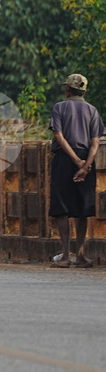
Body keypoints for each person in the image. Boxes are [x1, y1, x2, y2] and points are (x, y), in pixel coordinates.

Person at [48, 74, 104, 268]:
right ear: (85, 91)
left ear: (67, 90)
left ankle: (65, 256)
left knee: (62, 208)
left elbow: (59, 136)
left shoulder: (59, 107)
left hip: (65, 158)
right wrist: (86, 164)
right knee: (82, 209)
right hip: (86, 158)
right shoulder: (92, 110)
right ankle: (80, 255)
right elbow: (95, 142)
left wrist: (76, 161)